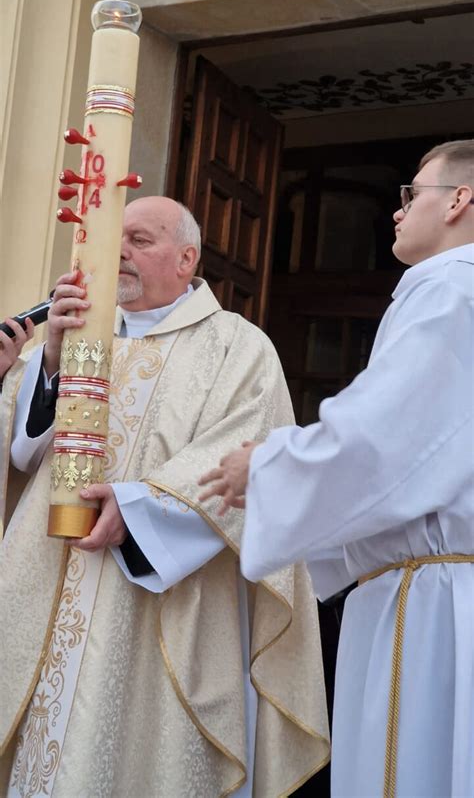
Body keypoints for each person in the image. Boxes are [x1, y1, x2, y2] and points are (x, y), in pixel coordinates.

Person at [0, 197, 329, 797]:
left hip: (158, 604)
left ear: (186, 259)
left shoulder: (237, 346)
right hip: (47, 582)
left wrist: (143, 506)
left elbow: (246, 452)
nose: (117, 250)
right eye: (112, 238)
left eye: (139, 239)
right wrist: (43, 360)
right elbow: (21, 459)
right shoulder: (73, 334)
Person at [199, 140, 474, 798]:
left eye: (411, 194)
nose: (396, 213)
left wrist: (268, 467)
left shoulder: (450, 286)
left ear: (461, 200)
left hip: (431, 603)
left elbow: (387, 437)